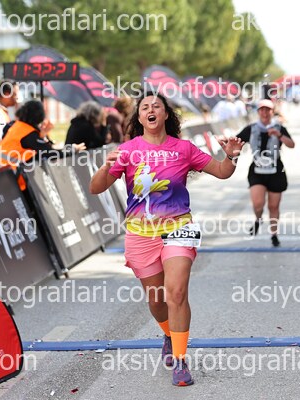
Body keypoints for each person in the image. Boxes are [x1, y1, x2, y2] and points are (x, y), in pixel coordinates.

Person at [89, 92, 243, 386]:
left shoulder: (184, 148)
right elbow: (96, 188)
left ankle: (181, 361)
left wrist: (231, 155)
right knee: (158, 300)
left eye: (156, 106)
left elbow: (222, 172)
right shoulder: (128, 150)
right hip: (140, 233)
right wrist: (106, 167)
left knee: (176, 293)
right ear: (139, 117)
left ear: (165, 115)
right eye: (144, 107)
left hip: (179, 227)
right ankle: (169, 335)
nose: (150, 110)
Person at [236, 99, 295, 247]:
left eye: (267, 110)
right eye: (261, 109)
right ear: (258, 112)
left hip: (276, 171)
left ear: (272, 112)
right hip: (257, 171)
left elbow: (291, 144)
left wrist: (279, 135)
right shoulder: (251, 128)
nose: (264, 113)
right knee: (258, 204)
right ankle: (258, 218)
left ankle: (274, 235)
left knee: (273, 206)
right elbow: (236, 141)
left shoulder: (279, 127)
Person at [0, 100, 85, 190]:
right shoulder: (29, 134)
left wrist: (41, 135)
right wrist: (72, 150)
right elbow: (51, 154)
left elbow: (30, 146)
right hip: (11, 178)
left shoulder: (16, 126)